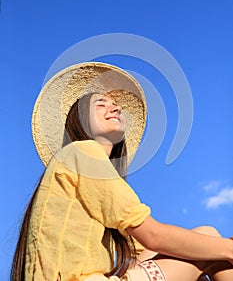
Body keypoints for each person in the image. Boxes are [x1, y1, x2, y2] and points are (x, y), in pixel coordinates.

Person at [11, 61, 233, 281]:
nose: (116, 108)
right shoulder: (83, 152)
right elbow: (153, 235)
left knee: (206, 246)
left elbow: (141, 249)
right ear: (79, 119)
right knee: (210, 238)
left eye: (116, 104)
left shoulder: (94, 179)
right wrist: (228, 249)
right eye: (101, 104)